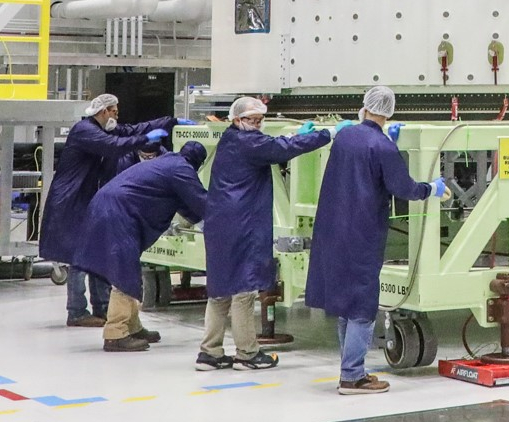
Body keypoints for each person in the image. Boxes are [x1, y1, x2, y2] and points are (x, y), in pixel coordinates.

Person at [306, 86, 446, 396]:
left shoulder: (345, 137)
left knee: (345, 303)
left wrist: (386, 143)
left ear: (365, 106)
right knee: (362, 306)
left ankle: (351, 369)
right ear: (390, 112)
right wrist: (431, 189)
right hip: (361, 234)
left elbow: (361, 160)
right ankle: (352, 377)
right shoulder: (382, 147)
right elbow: (404, 188)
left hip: (332, 229)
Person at [198, 97, 334, 372]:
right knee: (243, 290)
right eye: (252, 120)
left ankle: (209, 353)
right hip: (242, 225)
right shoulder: (250, 144)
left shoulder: (231, 139)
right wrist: (326, 134)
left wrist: (297, 134)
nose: (258, 125)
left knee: (220, 290)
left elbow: (275, 145)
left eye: (261, 120)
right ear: (237, 120)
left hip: (220, 223)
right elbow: (283, 149)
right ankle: (247, 354)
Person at [40, 93, 177, 327]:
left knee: (96, 251)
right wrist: (144, 139)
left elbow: (133, 129)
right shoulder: (85, 130)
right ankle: (76, 311)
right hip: (71, 199)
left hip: (87, 197)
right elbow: (113, 146)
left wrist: (170, 121)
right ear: (103, 112)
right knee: (78, 257)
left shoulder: (104, 129)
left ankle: (102, 308)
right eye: (114, 110)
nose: (117, 114)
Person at [70, 140, 209, 352]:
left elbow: (185, 204)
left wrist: (204, 224)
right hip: (118, 213)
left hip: (108, 207)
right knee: (124, 272)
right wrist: (224, 222)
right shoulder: (181, 168)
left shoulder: (167, 164)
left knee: (128, 269)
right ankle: (116, 333)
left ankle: (132, 327)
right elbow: (200, 201)